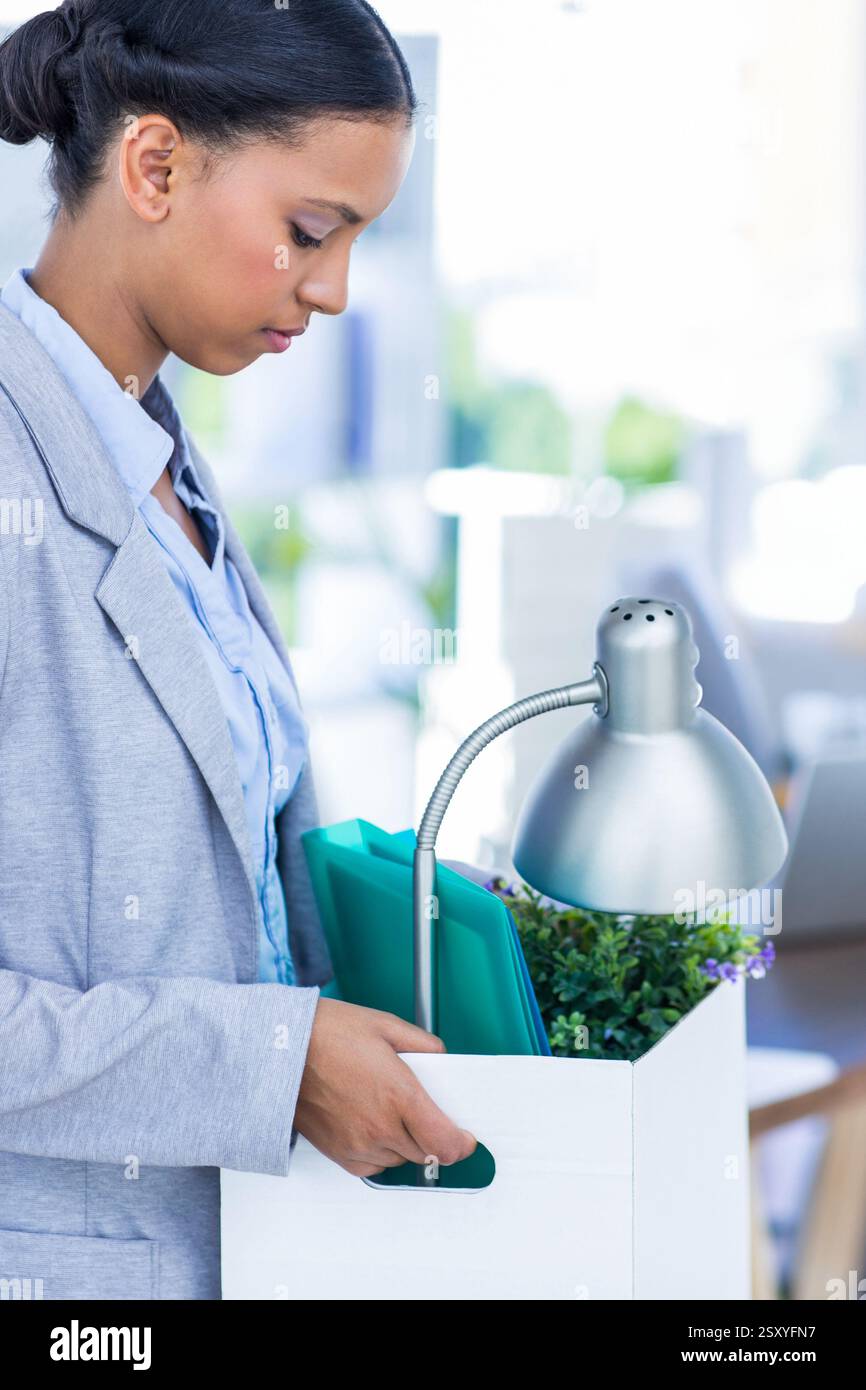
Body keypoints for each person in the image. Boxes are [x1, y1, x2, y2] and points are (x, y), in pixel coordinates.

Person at [0, 0, 476, 1301]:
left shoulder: (158, 466)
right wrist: (272, 1060)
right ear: (153, 166)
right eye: (309, 232)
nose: (330, 289)